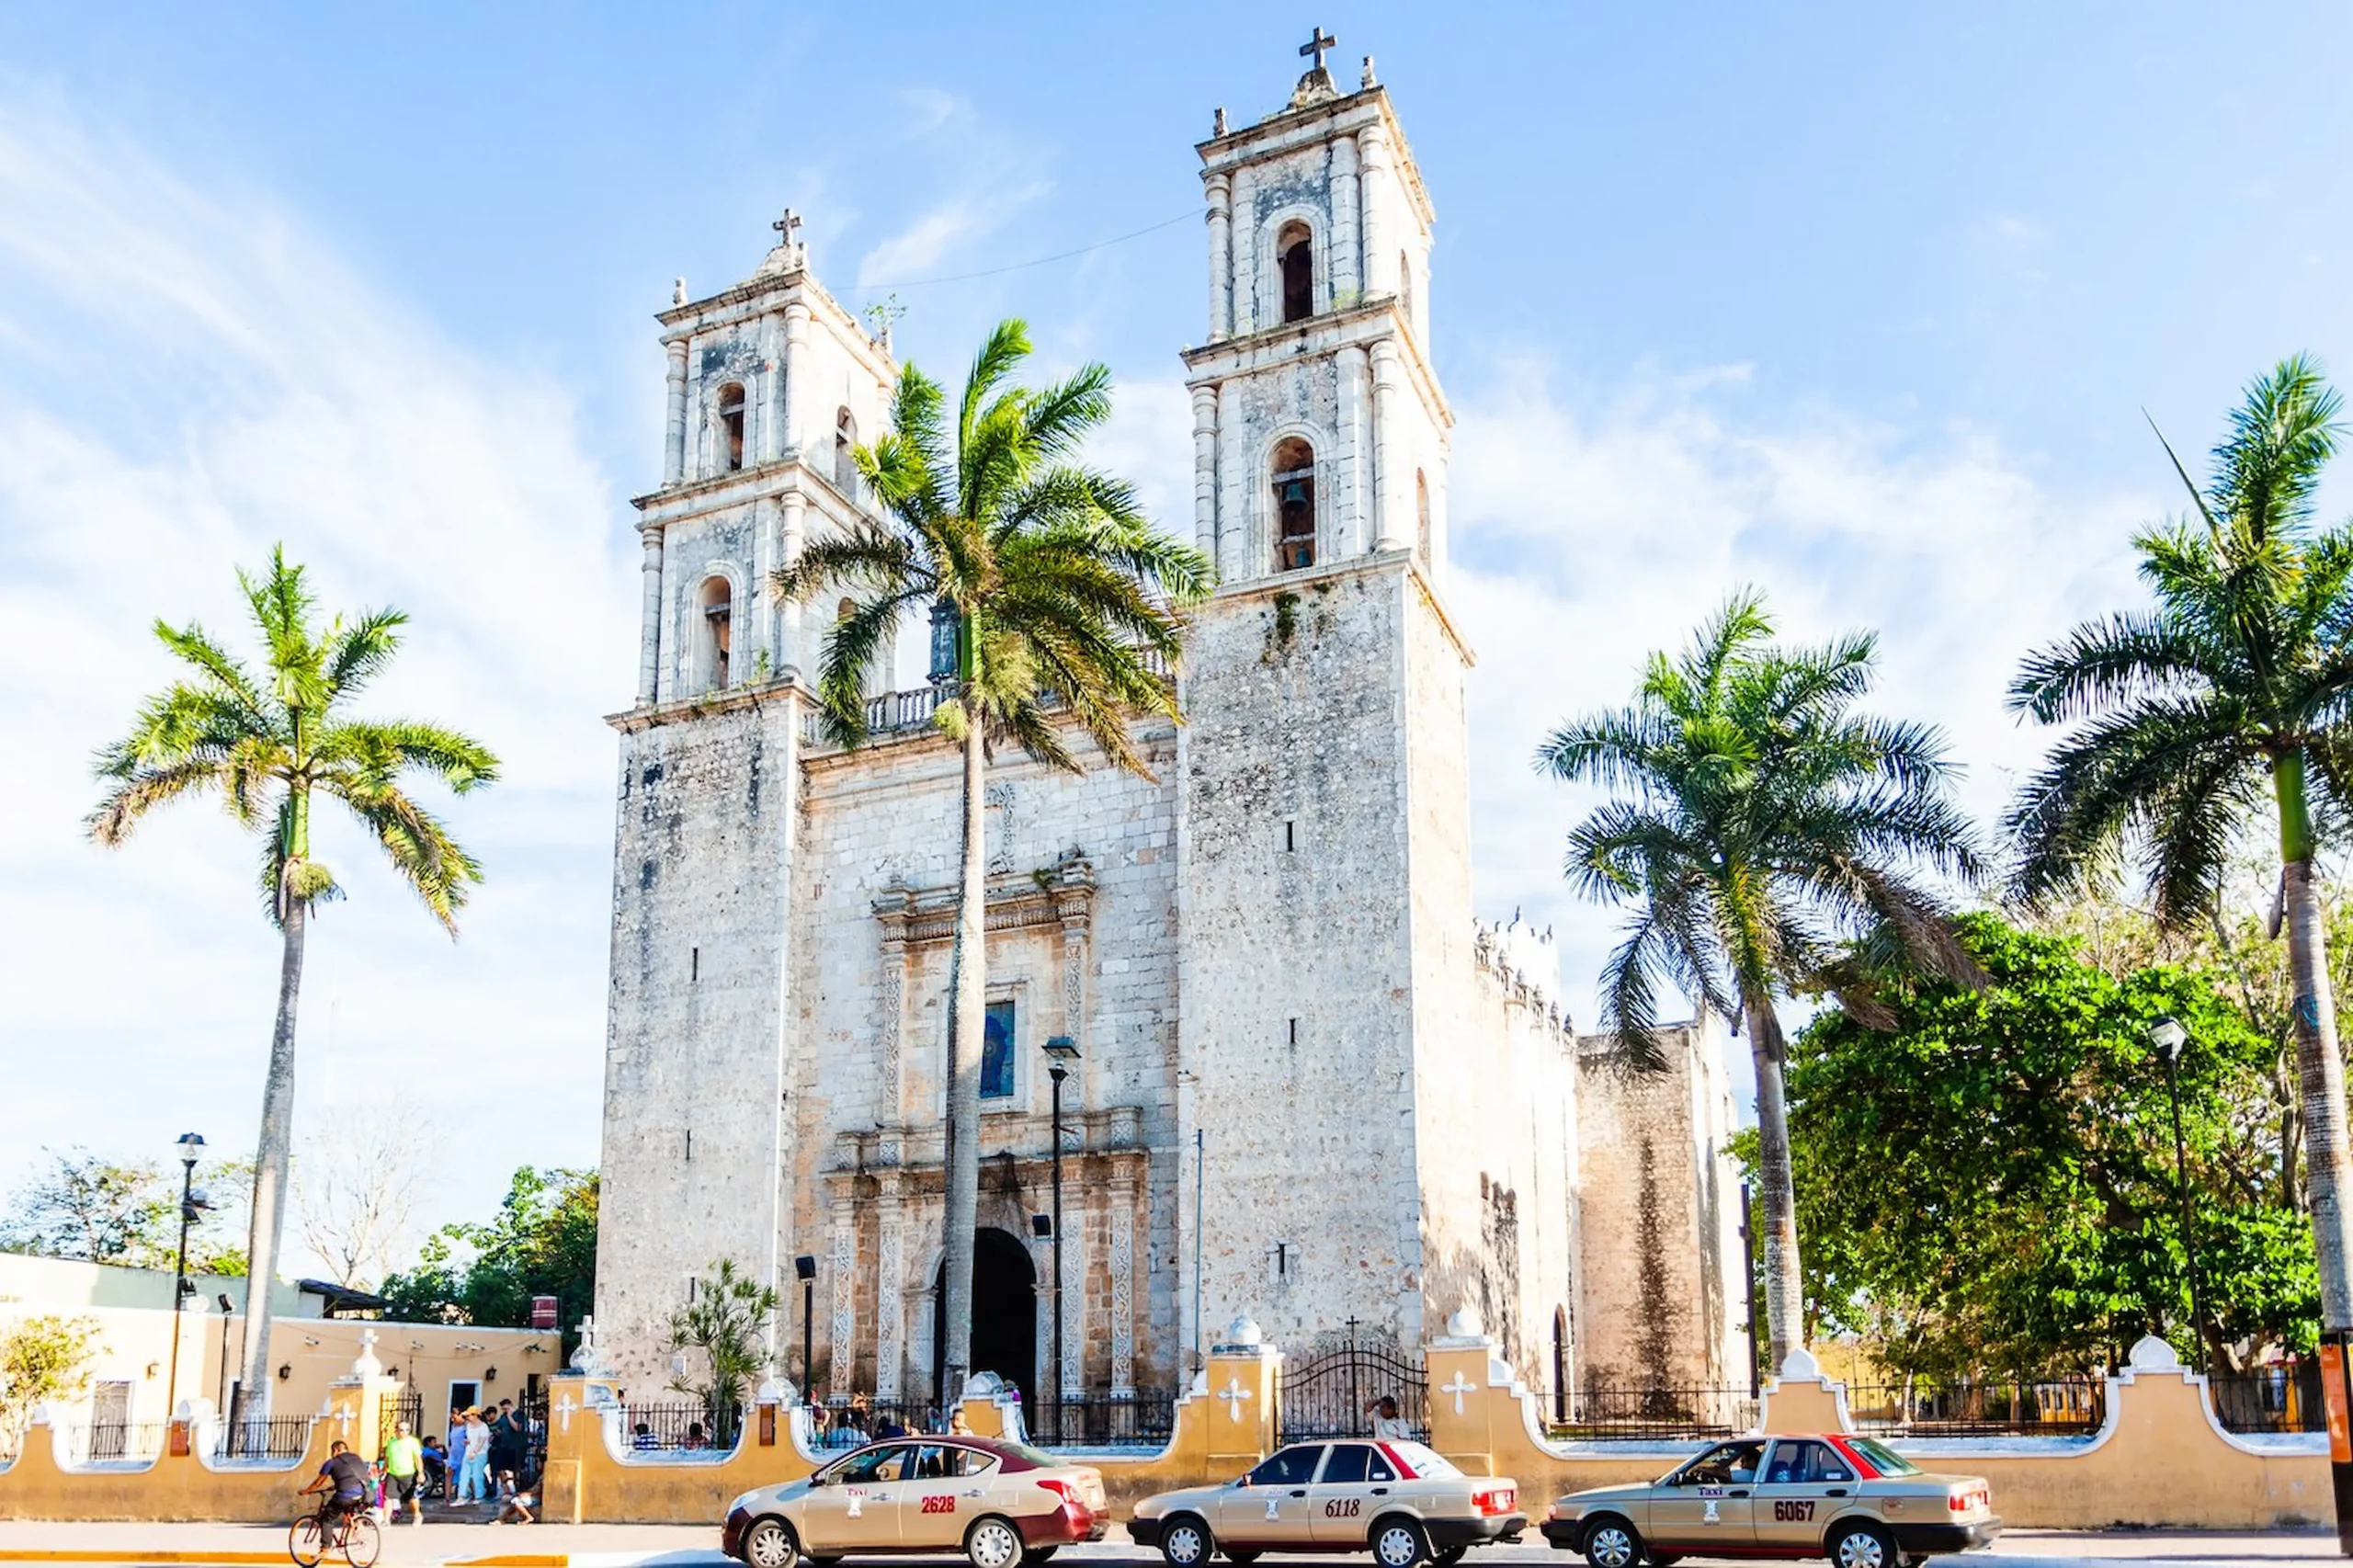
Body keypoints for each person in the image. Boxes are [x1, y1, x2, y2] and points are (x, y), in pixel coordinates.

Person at [303, 1439, 373, 1534]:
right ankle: (355, 1529)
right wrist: (334, 1486)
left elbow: (318, 1482)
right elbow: (351, 1477)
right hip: (363, 1494)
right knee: (349, 1510)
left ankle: (325, 1548)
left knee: (327, 1519)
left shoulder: (332, 1462)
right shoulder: (357, 1458)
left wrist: (307, 1491)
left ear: (335, 1450)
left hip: (345, 1496)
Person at [381, 1420, 426, 1528]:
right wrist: (384, 1469)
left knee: (411, 1498)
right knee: (388, 1497)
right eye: (401, 1430)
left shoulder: (413, 1442)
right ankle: (386, 1520)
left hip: (408, 1473)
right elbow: (387, 1457)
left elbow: (417, 1458)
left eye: (407, 1430)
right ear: (396, 1431)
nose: (404, 1433)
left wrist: (420, 1473)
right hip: (393, 1473)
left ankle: (417, 1515)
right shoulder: (392, 1442)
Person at [458, 1409, 493, 1503]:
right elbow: (471, 1439)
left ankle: (479, 1496)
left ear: (475, 1415)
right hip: (468, 1453)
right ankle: (461, 1495)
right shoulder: (469, 1426)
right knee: (464, 1475)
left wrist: (475, 1452)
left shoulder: (483, 1427)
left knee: (477, 1476)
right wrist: (467, 1442)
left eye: (469, 1416)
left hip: (479, 1454)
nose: (467, 1418)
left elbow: (482, 1441)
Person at [446, 1411, 472, 1507]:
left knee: (466, 1475)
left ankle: (474, 1494)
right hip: (453, 1454)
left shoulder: (466, 1428)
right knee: (449, 1473)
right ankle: (447, 1497)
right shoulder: (453, 1427)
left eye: (455, 1416)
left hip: (463, 1453)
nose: (453, 1418)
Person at [419, 1432, 448, 1501]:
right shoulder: (426, 1450)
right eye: (434, 1442)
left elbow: (445, 1456)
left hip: (440, 1466)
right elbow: (429, 1457)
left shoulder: (435, 1450)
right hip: (433, 1468)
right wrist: (441, 1461)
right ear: (428, 1443)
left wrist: (443, 1448)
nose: (436, 1444)